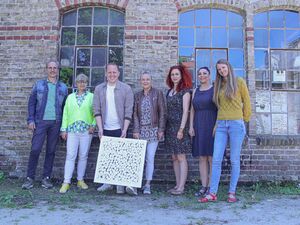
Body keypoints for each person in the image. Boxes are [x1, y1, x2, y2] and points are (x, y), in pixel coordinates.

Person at [200, 59, 251, 203]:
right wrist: (217, 124)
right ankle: (212, 193)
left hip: (236, 124)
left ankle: (231, 192)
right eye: (219, 69)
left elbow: (247, 102)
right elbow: (220, 107)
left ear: (228, 67)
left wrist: (244, 120)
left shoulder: (239, 82)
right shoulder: (218, 85)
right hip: (221, 125)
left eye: (223, 68)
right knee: (216, 159)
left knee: (234, 159)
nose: (222, 71)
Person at [22, 61, 68, 189]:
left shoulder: (63, 87)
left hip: (56, 123)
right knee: (35, 149)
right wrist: (30, 120)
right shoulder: (39, 85)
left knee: (51, 151)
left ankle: (46, 178)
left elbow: (65, 108)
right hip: (40, 122)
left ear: (58, 70)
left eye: (55, 68)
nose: (53, 70)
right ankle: (29, 178)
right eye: (50, 68)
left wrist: (64, 127)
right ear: (46, 69)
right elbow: (31, 103)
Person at [93, 63, 135, 195]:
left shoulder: (126, 89)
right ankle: (108, 183)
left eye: (114, 72)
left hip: (120, 127)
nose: (112, 75)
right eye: (109, 72)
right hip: (105, 127)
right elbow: (97, 109)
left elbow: (129, 110)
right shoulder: (99, 89)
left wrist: (125, 129)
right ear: (106, 73)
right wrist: (100, 129)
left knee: (121, 156)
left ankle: (120, 184)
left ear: (118, 73)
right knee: (107, 156)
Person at [59, 74, 96, 193]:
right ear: (76, 83)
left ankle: (80, 180)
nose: (82, 84)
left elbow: (96, 111)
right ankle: (66, 182)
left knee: (83, 156)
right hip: (72, 131)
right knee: (70, 156)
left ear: (87, 83)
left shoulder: (91, 96)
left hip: (86, 131)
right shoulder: (70, 97)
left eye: (84, 82)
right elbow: (65, 114)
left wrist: (93, 124)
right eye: (80, 82)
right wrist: (63, 129)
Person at [132, 72, 166, 194]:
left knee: (150, 158)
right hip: (141, 131)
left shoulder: (158, 93)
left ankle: (147, 184)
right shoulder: (137, 96)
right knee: (138, 159)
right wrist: (136, 130)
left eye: (147, 79)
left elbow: (162, 112)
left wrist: (161, 129)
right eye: (143, 79)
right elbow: (135, 114)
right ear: (140, 81)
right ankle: (135, 184)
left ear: (151, 80)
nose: (145, 81)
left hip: (153, 130)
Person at [189, 67, 217, 197]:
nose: (202, 76)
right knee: (202, 157)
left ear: (209, 75)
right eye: (199, 74)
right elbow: (192, 110)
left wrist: (216, 126)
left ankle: (212, 186)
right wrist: (191, 126)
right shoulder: (195, 91)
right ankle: (203, 186)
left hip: (211, 124)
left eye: (204, 73)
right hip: (198, 124)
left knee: (211, 157)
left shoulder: (215, 90)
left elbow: (220, 109)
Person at [165, 64, 193, 195]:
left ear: (181, 76)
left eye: (176, 74)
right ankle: (177, 185)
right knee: (174, 157)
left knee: (181, 157)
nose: (174, 76)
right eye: (172, 74)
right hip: (169, 127)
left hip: (179, 127)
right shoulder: (169, 91)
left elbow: (186, 112)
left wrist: (181, 129)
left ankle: (181, 187)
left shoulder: (185, 91)